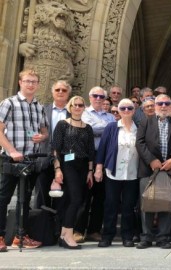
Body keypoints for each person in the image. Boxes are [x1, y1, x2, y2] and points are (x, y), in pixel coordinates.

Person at [0, 69, 48, 251]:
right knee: (3, 197)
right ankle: (0, 236)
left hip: (30, 159)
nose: (31, 84)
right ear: (20, 82)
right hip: (11, 159)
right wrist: (12, 151)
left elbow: (44, 131)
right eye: (27, 81)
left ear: (38, 84)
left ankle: (21, 236)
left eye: (34, 81)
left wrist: (42, 138)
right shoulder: (9, 103)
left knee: (25, 199)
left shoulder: (39, 106)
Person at [135, 94, 171, 249]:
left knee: (166, 203)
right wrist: (151, 160)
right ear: (155, 105)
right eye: (160, 103)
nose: (163, 106)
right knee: (147, 204)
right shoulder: (146, 121)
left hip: (169, 170)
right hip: (149, 170)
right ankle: (146, 237)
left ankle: (163, 237)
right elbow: (140, 142)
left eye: (166, 103)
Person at [94, 99, 139, 248]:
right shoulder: (111, 127)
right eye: (123, 108)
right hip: (113, 173)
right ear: (118, 111)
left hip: (132, 173)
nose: (126, 110)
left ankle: (127, 236)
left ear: (134, 110)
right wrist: (98, 169)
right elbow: (102, 149)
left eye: (129, 108)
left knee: (128, 207)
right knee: (111, 205)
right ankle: (107, 236)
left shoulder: (138, 128)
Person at [52, 96, 95, 249]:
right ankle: (69, 234)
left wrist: (90, 170)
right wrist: (57, 169)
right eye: (75, 105)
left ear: (84, 107)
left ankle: (64, 234)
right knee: (74, 199)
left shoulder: (88, 128)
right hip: (67, 164)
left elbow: (91, 152)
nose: (77, 107)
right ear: (70, 107)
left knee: (76, 199)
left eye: (80, 105)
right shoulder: (62, 125)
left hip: (83, 166)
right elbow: (56, 149)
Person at [75, 86, 116, 243]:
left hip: (105, 159)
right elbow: (87, 130)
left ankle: (94, 230)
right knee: (83, 196)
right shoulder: (83, 113)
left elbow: (112, 134)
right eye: (95, 95)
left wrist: (101, 129)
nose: (98, 98)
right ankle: (78, 229)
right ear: (90, 97)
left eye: (101, 96)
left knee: (101, 197)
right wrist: (107, 129)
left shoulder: (110, 117)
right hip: (86, 159)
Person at [35, 80, 72, 209]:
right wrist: (34, 136)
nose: (60, 92)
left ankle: (58, 228)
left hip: (65, 160)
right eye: (57, 90)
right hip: (44, 158)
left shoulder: (74, 112)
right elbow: (31, 129)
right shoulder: (42, 110)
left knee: (62, 198)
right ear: (52, 93)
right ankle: (41, 227)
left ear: (68, 94)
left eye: (64, 90)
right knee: (41, 197)